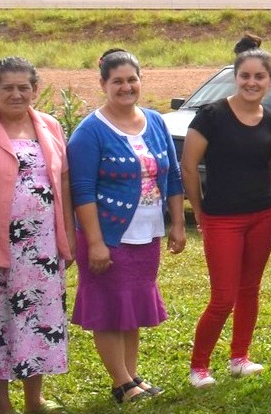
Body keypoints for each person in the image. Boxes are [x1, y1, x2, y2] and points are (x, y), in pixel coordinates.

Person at [0, 57, 72, 413]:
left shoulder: (49, 125)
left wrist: (69, 236)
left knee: (38, 323)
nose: (17, 94)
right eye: (8, 87)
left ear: (35, 89)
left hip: (41, 249)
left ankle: (35, 400)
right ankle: (1, 401)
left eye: (24, 87)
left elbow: (62, 180)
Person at [67, 49, 186, 404]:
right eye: (117, 81)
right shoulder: (90, 132)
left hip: (146, 233)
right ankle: (120, 382)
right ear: (103, 84)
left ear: (141, 80)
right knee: (108, 309)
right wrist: (96, 242)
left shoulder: (155, 120)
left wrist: (177, 222)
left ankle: (132, 375)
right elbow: (82, 190)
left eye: (131, 79)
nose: (125, 87)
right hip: (108, 236)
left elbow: (174, 176)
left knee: (131, 306)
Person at [182, 39, 271, 387]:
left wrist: (257, 195)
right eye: (245, 76)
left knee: (250, 289)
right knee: (224, 297)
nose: (251, 82)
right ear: (235, 77)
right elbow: (189, 167)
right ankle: (199, 367)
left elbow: (270, 167)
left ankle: (240, 357)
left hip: (263, 215)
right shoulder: (211, 115)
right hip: (221, 219)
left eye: (259, 76)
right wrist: (199, 211)